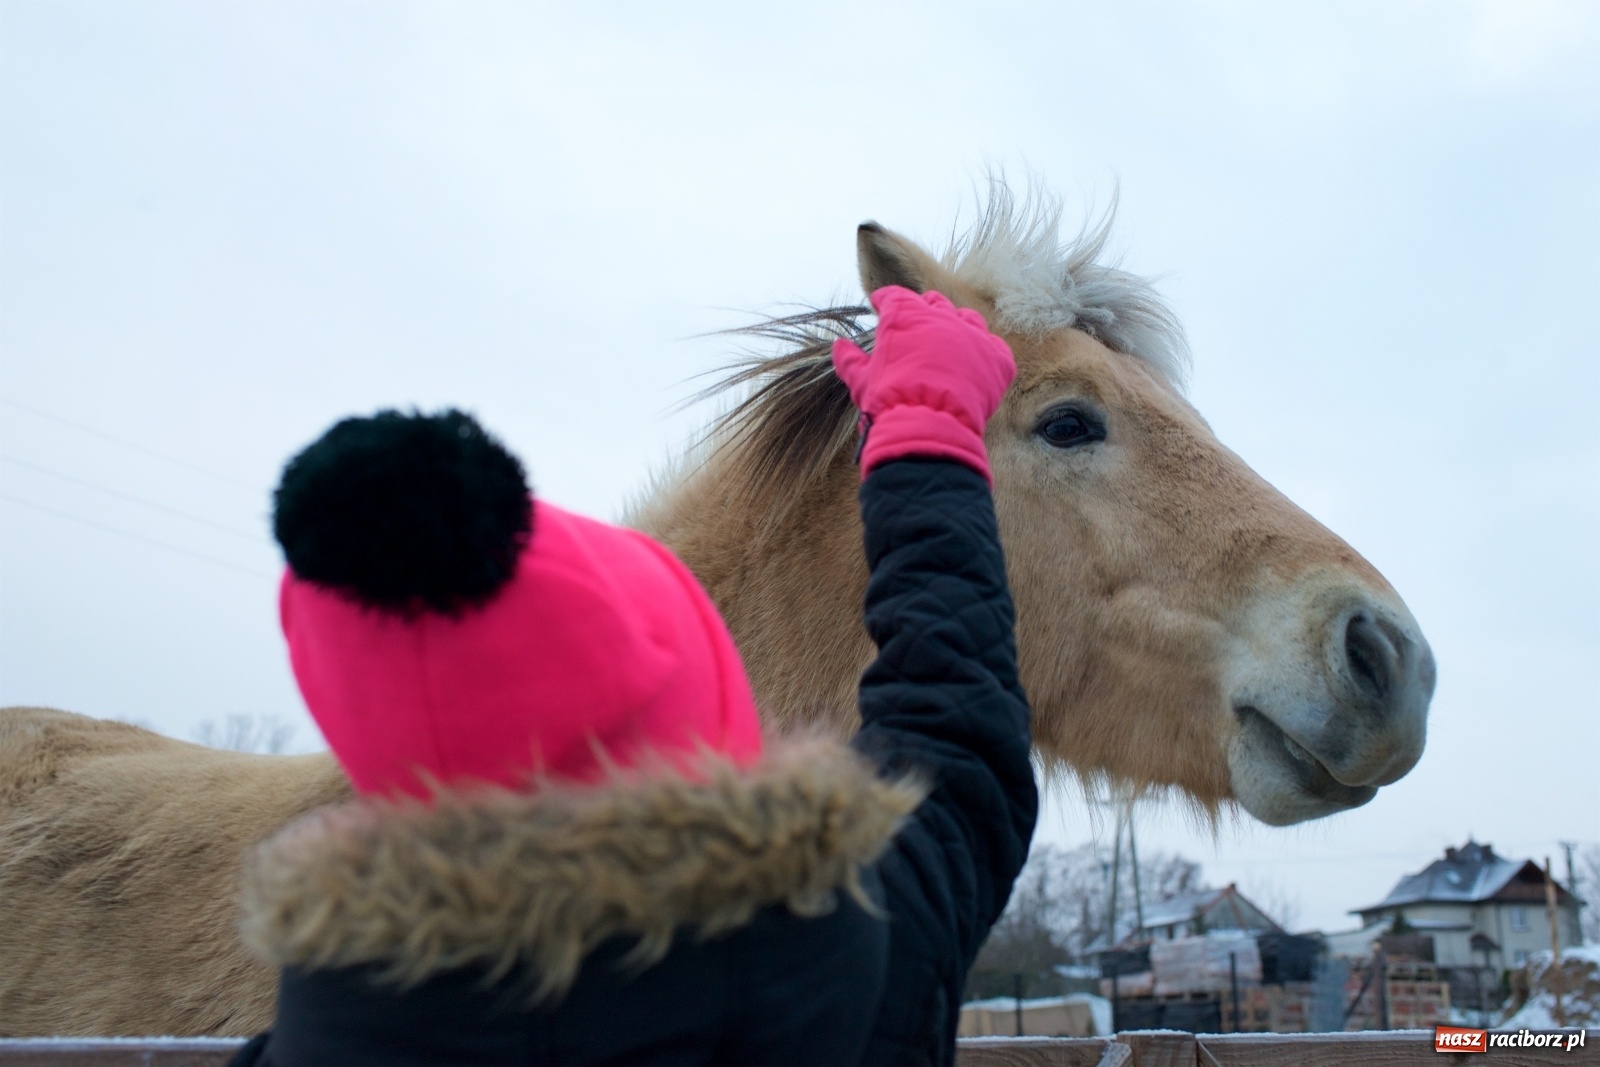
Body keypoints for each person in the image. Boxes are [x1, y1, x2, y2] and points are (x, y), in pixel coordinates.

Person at [229, 285, 1037, 1067]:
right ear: (690, 693)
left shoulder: (326, 1027)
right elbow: (955, 731)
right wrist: (928, 430)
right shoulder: (833, 955)